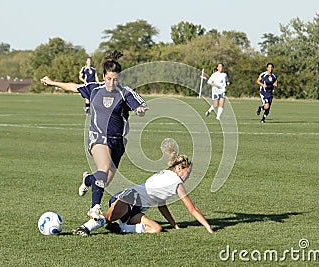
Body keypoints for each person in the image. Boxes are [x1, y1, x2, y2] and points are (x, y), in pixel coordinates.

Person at [40, 50, 149, 220]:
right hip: (97, 137)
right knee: (103, 169)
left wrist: (140, 111)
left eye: (115, 79)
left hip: (118, 141)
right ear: (103, 76)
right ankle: (94, 208)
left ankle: (87, 179)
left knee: (102, 180)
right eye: (108, 79)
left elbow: (139, 105)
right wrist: (52, 82)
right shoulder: (94, 88)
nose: (112, 82)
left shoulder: (125, 92)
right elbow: (72, 86)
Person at [71, 153, 214, 236]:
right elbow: (192, 209)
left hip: (137, 210)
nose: (188, 176)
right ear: (178, 168)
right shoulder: (176, 181)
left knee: (156, 229)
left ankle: (121, 228)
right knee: (107, 217)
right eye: (187, 172)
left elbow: (161, 205)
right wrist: (208, 227)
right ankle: (85, 228)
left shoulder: (167, 175)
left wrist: (174, 225)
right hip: (129, 198)